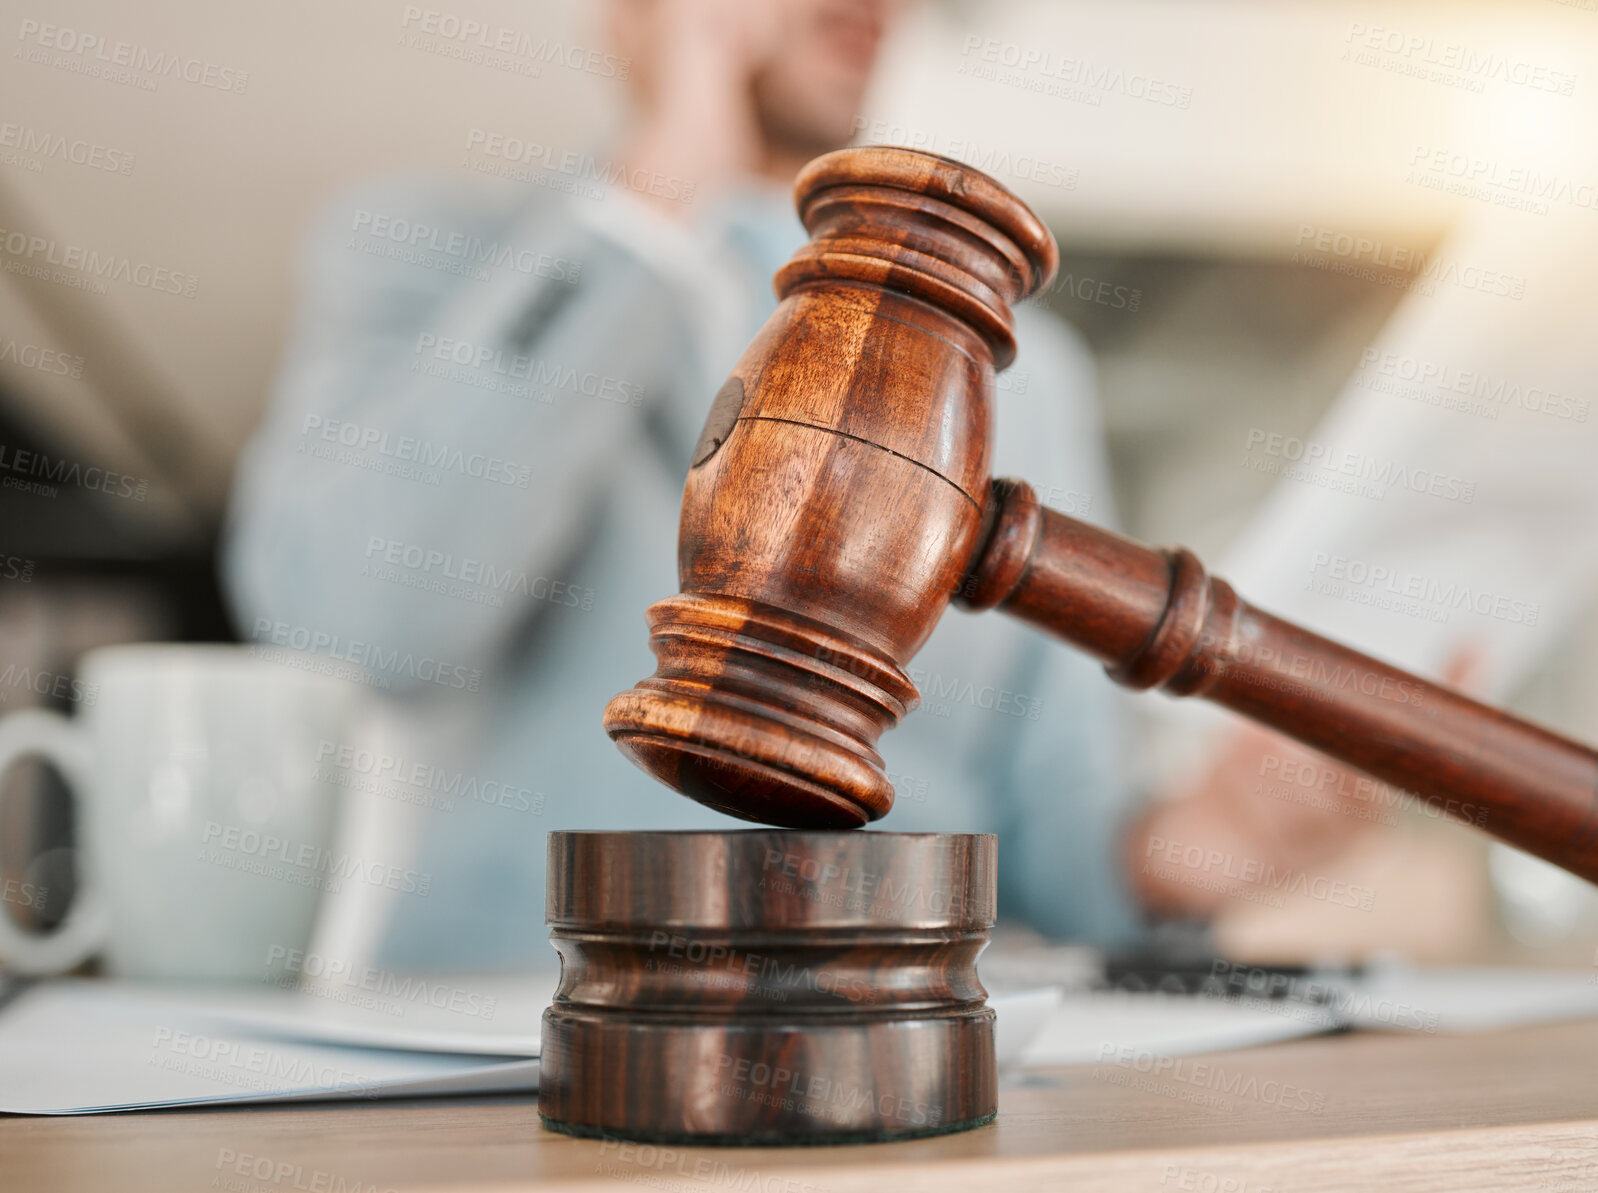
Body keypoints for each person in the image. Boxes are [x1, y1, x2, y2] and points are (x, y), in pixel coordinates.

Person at [222, 0, 1148, 970]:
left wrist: (1206, 846)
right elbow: (358, 620)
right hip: (517, 1031)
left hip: (893, 1034)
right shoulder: (433, 253)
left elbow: (1059, 846)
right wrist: (657, 187)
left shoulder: (1017, 372)